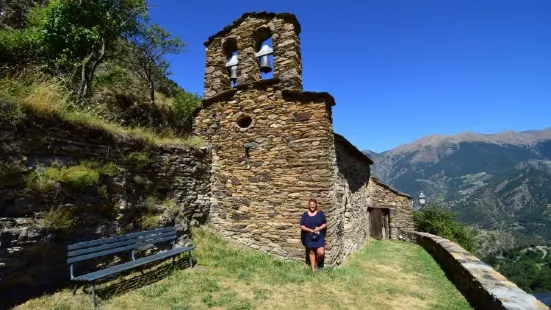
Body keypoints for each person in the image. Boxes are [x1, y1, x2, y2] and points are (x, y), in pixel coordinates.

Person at [300, 198, 327, 272]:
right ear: (309, 205)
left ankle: (316, 263)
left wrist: (319, 228)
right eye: (311, 204)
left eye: (314, 204)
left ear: (316, 205)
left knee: (321, 253)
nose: (312, 206)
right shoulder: (305, 215)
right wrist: (309, 230)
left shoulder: (320, 213)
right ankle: (313, 270)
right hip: (309, 236)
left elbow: (325, 223)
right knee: (311, 252)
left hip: (319, 236)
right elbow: (302, 226)